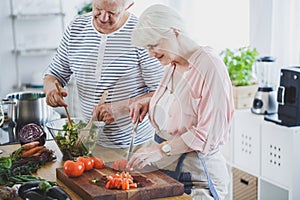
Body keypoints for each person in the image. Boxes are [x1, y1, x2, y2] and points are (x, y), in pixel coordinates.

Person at [127, 4, 234, 200]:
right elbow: (183, 107)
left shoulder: (210, 66)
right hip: (169, 172)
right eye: (147, 48)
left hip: (198, 177)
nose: (150, 54)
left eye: (153, 45)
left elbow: (208, 134)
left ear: (174, 32)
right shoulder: (173, 64)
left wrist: (161, 149)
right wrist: (150, 103)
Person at [43, 0, 164, 161]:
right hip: (86, 143)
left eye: (112, 13)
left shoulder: (142, 35)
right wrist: (51, 89)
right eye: (98, 9)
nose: (103, 18)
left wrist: (122, 108)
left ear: (129, 5)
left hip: (133, 148)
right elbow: (54, 74)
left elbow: (163, 92)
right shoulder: (76, 28)